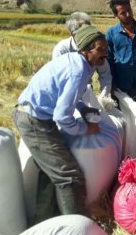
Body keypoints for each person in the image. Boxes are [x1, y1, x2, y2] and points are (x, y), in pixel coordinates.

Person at [12, 25, 107, 223]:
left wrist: (82, 108)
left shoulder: (75, 62)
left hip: (34, 116)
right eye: (100, 49)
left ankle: (45, 222)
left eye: (106, 48)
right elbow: (62, 117)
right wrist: (86, 129)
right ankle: (76, 229)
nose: (105, 53)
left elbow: (67, 95)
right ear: (86, 50)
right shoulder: (79, 71)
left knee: (50, 172)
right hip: (34, 121)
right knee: (69, 176)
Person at [52, 11, 112, 93]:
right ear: (73, 34)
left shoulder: (97, 48)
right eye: (85, 30)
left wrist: (104, 97)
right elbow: (58, 78)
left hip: (87, 91)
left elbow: (105, 74)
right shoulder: (62, 49)